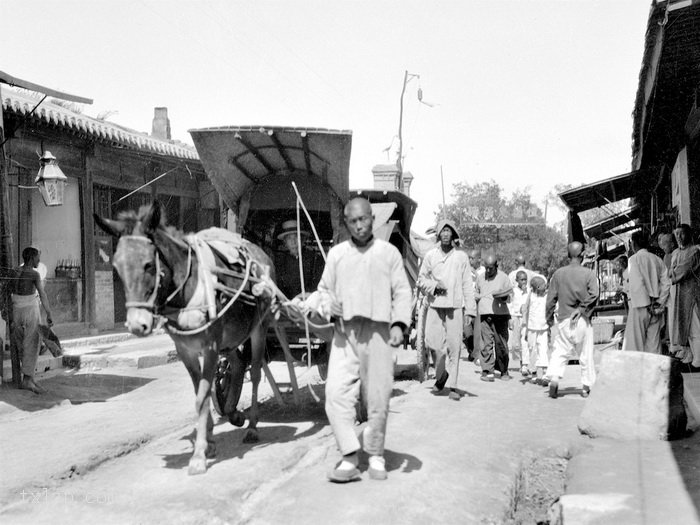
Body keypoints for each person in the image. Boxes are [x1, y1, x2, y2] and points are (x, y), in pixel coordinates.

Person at [311, 197, 412, 483]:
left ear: (372, 219)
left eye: (364, 219)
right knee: (334, 395)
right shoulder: (337, 255)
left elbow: (403, 293)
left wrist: (399, 324)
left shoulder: (388, 254)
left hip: (379, 334)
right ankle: (350, 457)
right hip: (345, 336)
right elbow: (323, 291)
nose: (359, 225)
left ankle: (376, 455)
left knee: (378, 397)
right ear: (346, 223)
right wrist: (327, 305)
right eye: (353, 221)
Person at [417, 220, 476, 400]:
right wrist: (434, 287)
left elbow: (467, 285)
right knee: (433, 344)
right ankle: (442, 375)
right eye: (442, 231)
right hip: (435, 305)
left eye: (448, 231)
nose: (445, 234)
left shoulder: (461, 257)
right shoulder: (431, 256)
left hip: (455, 307)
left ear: (453, 235)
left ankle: (454, 386)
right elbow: (421, 280)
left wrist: (470, 311)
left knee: (454, 346)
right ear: (438, 235)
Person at [544, 242, 599, 399]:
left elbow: (550, 300)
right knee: (586, 353)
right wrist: (581, 309)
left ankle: (554, 379)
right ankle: (586, 387)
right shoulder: (588, 274)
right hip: (582, 319)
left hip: (563, 319)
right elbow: (594, 294)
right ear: (582, 255)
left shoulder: (559, 274)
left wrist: (548, 319)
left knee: (560, 351)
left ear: (569, 255)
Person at [12, 247, 53, 394]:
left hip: (16, 311)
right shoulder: (34, 274)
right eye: (37, 258)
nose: (39, 260)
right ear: (31, 258)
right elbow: (42, 294)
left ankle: (29, 378)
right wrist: (49, 314)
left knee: (21, 343)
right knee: (32, 343)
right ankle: (27, 380)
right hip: (30, 309)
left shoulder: (14, 271)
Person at [622, 232, 670, 354]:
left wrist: (647, 303)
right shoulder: (657, 259)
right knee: (654, 343)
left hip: (640, 305)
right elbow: (666, 283)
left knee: (635, 343)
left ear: (634, 244)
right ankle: (654, 371)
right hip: (655, 307)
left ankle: (636, 371)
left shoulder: (633, 259)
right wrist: (659, 302)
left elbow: (638, 282)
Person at [475, 254, 513, 382]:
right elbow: (476, 292)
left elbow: (509, 296)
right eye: (486, 268)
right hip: (485, 314)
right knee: (486, 344)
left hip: (500, 315)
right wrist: (477, 297)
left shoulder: (504, 278)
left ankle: (503, 370)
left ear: (496, 266)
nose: (488, 271)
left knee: (501, 344)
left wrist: (503, 297)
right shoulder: (480, 278)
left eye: (491, 268)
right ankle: (487, 370)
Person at [668, 224, 700, 366]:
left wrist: (673, 272)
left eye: (681, 234)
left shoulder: (694, 251)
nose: (679, 237)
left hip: (692, 294)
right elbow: (671, 271)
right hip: (681, 295)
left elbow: (681, 270)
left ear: (688, 234)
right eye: (676, 234)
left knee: (694, 326)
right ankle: (693, 356)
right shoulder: (678, 252)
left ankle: (698, 359)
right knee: (685, 327)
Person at [273, 219, 324, 299]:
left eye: (296, 237)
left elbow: (320, 285)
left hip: (310, 304)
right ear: (285, 242)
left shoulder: (315, 259)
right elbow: (278, 287)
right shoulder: (280, 262)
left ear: (303, 239)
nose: (293, 242)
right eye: (289, 238)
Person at [521, 275, 549, 383]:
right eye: (543, 285)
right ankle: (534, 372)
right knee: (532, 349)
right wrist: (525, 327)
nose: (545, 286)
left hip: (543, 327)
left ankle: (545, 373)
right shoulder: (531, 295)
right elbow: (525, 309)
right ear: (537, 287)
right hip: (532, 327)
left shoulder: (547, 296)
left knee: (543, 348)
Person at [509, 270, 528, 368]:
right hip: (515, 317)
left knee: (525, 341)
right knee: (516, 343)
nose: (524, 282)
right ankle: (520, 360)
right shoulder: (513, 291)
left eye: (525, 280)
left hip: (525, 318)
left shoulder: (529, 292)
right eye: (522, 280)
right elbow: (510, 305)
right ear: (517, 280)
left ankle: (524, 364)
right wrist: (510, 319)